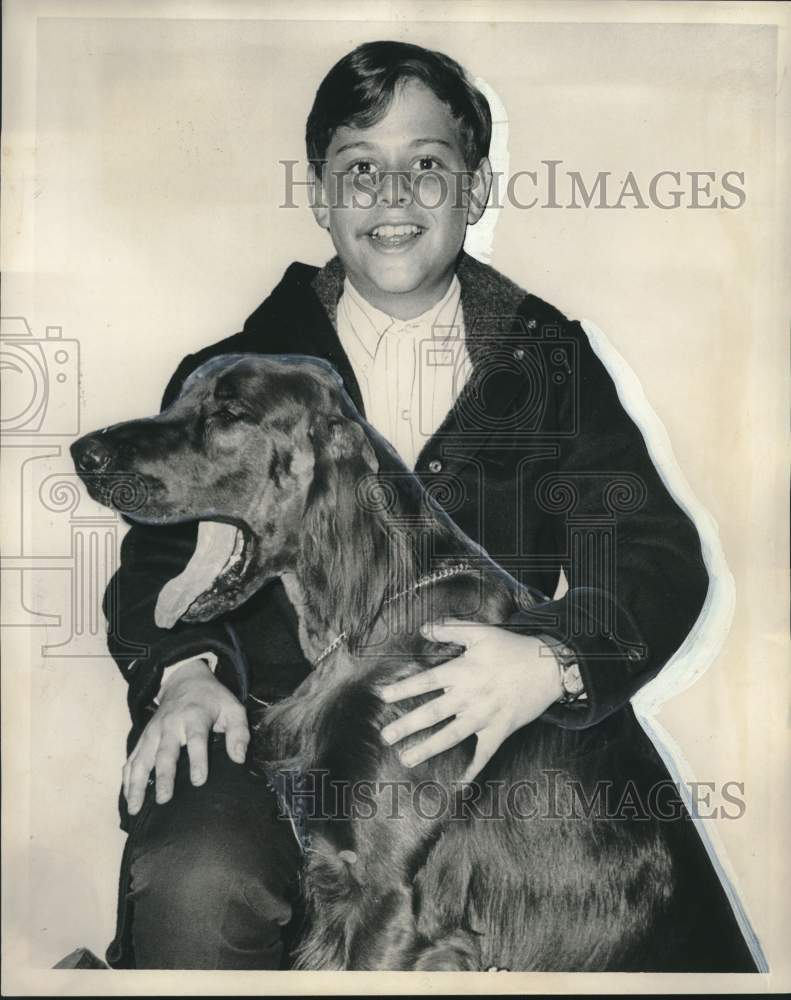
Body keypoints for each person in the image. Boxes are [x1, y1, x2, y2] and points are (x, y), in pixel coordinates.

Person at [102, 40, 753, 970]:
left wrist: (551, 663)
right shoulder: (234, 377)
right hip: (258, 744)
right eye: (360, 170)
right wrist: (185, 672)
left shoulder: (542, 365)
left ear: (476, 189)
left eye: (428, 167)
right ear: (321, 194)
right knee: (193, 882)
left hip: (479, 771)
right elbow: (160, 570)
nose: (393, 197)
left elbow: (651, 554)